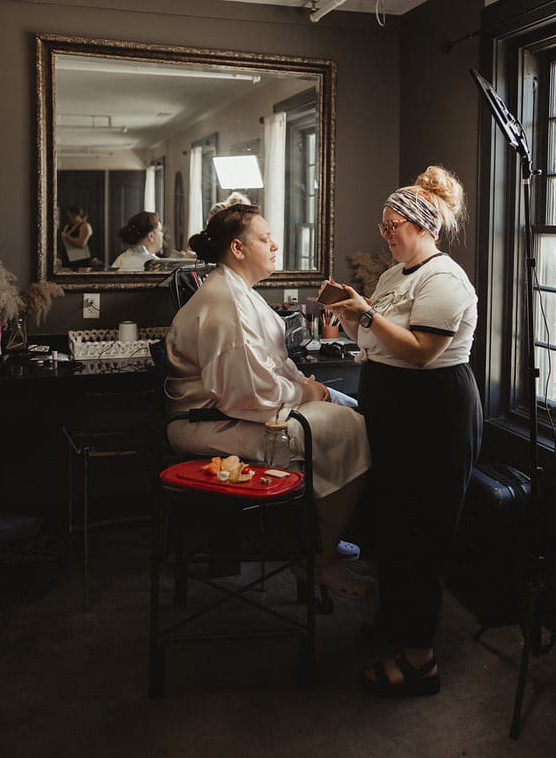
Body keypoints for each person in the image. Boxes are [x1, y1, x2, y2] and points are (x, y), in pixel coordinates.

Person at [165, 202, 372, 600]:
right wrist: (306, 393)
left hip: (233, 412)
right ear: (238, 248)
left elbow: (269, 367)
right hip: (208, 424)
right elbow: (247, 394)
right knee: (349, 427)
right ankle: (322, 558)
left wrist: (307, 386)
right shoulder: (225, 303)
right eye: (265, 239)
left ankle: (319, 534)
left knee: (346, 406)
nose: (276, 245)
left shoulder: (240, 292)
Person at [328, 165, 483, 698]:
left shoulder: (445, 280)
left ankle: (420, 662)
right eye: (384, 225)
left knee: (421, 532)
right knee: (393, 526)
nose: (385, 233)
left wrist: (367, 315)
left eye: (393, 225)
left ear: (422, 226)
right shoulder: (395, 276)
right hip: (393, 408)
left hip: (432, 413)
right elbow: (374, 342)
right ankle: (397, 623)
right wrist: (350, 313)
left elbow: (420, 352)